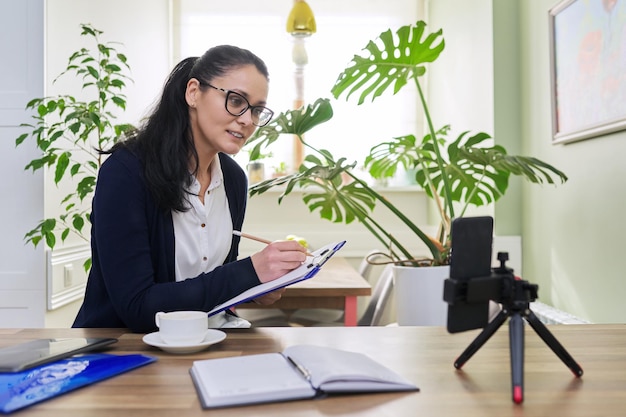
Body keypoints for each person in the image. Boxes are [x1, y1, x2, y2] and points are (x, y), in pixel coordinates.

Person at [73, 45, 308, 333]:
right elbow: (137, 308)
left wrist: (256, 287)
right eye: (236, 101)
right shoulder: (125, 173)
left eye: (257, 110)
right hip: (126, 353)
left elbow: (213, 286)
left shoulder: (233, 180)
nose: (248, 120)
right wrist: (248, 272)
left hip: (210, 342)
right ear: (194, 92)